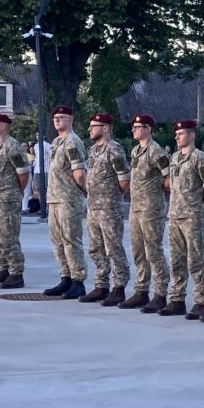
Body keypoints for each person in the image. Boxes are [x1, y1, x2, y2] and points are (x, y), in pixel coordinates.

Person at [159, 119, 204, 318]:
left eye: (180, 134)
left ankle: (200, 300)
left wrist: (194, 200)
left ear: (191, 135)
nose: (177, 137)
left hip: (192, 216)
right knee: (176, 259)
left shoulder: (200, 158)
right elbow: (169, 184)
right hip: (174, 215)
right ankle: (177, 298)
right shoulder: (174, 158)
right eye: (176, 134)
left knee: (195, 260)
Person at [81, 112, 131, 306]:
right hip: (93, 207)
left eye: (94, 125)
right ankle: (101, 286)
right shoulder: (93, 150)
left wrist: (112, 196)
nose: (90, 129)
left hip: (109, 208)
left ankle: (119, 288)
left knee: (113, 248)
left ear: (105, 128)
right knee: (96, 248)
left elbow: (124, 180)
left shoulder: (114, 150)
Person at [123, 114, 171, 313]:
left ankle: (160, 293)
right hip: (136, 207)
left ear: (149, 129)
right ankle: (141, 290)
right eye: (133, 127)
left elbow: (169, 177)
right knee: (138, 250)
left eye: (139, 126)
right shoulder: (136, 150)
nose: (134, 130)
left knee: (153, 250)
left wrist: (157, 188)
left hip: (151, 208)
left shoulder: (156, 151)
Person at [42, 104, 89, 299]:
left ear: (71, 120)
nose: (57, 120)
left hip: (68, 198)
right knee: (58, 241)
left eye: (61, 117)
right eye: (55, 118)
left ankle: (78, 281)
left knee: (71, 240)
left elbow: (79, 172)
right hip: (54, 198)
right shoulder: (56, 142)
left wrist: (84, 189)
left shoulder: (72, 142)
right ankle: (66, 277)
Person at [0, 113, 29, 288]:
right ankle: (4, 269)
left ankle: (16, 273)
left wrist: (15, 192)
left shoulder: (12, 146)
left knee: (8, 237)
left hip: (7, 200)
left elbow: (23, 174)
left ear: (2, 126)